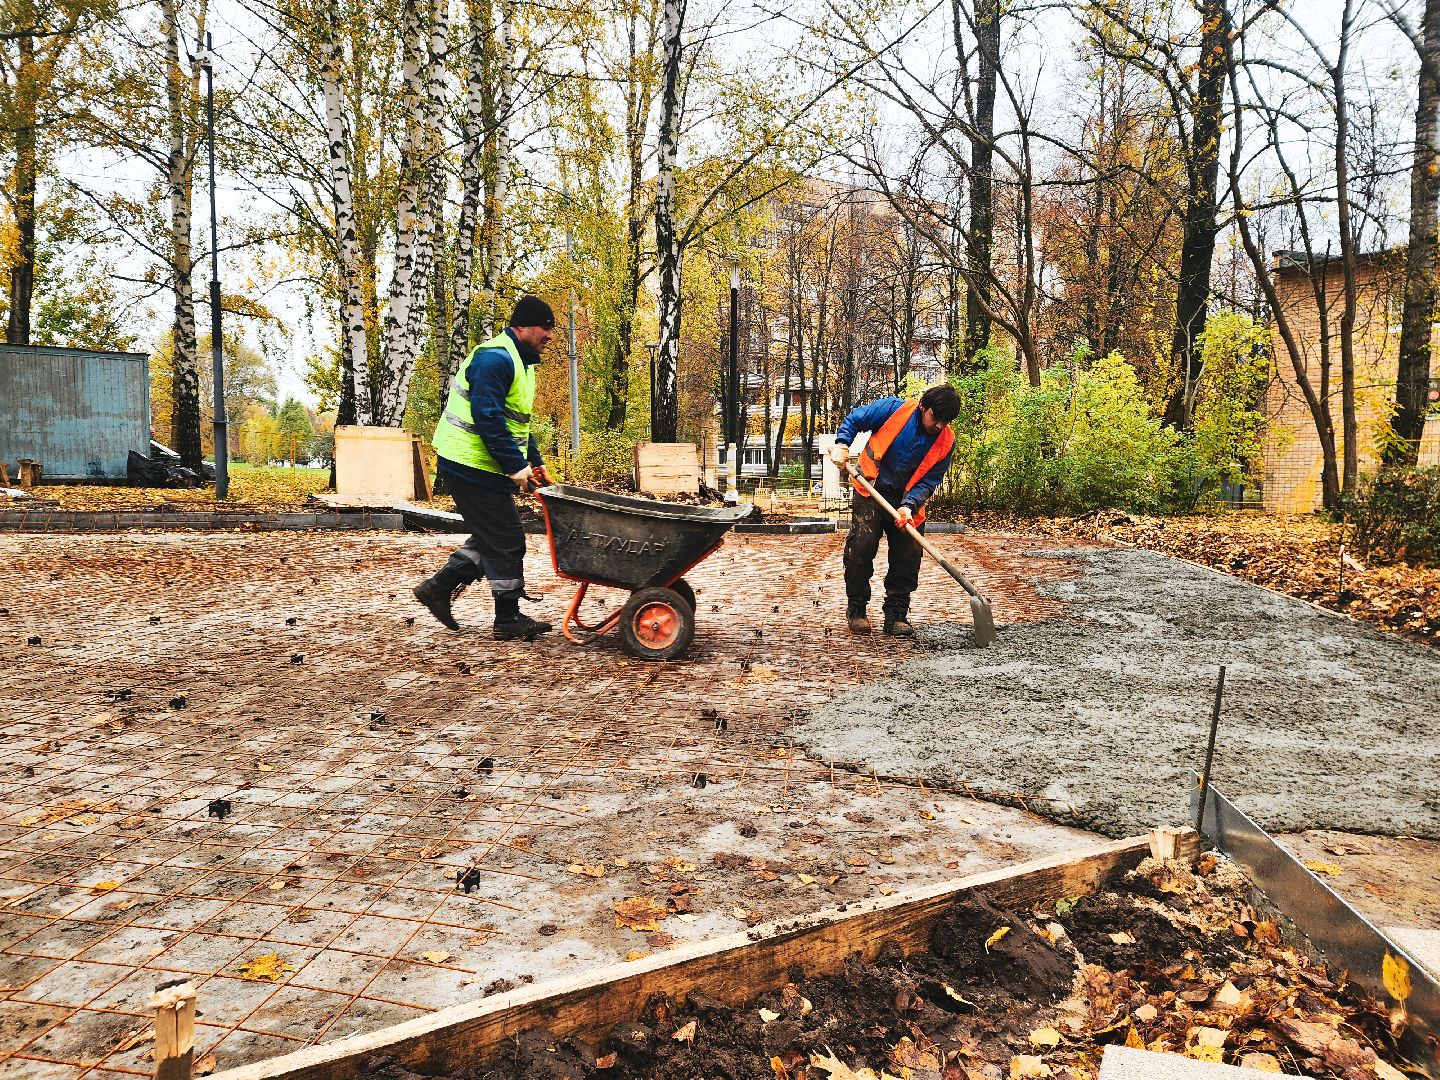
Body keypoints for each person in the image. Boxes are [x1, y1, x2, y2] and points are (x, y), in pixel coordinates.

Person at [413, 295, 556, 639]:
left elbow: (517, 423)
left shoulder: (521, 362)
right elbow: (487, 417)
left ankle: (439, 587)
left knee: (493, 536)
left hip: (480, 463)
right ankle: (506, 619)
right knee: (506, 538)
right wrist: (514, 466)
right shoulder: (495, 359)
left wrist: (534, 462)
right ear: (522, 326)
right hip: (467, 462)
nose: (550, 335)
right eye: (545, 327)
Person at [828, 383, 960, 636]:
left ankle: (897, 613)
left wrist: (908, 506)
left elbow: (929, 480)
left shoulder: (946, 441)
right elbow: (856, 418)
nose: (940, 426)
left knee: (908, 556)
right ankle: (857, 609)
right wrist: (842, 444)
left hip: (907, 503)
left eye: (946, 421)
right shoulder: (894, 410)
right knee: (862, 547)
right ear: (924, 407)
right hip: (871, 489)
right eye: (936, 418)